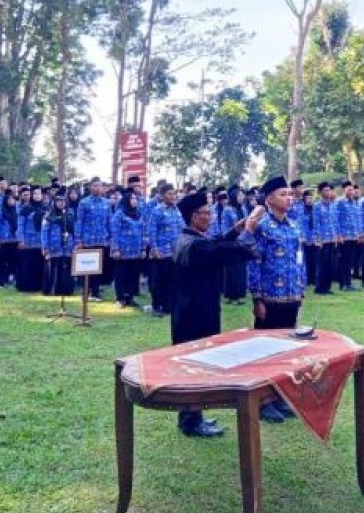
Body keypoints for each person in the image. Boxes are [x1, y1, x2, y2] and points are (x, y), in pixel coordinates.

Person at [171, 189, 258, 438]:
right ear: (193, 217)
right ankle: (190, 420)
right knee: (195, 367)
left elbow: (215, 244)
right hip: (195, 316)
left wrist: (237, 229)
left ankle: (193, 414)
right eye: (205, 213)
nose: (210, 216)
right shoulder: (193, 246)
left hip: (193, 312)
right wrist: (248, 232)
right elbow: (222, 253)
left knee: (197, 365)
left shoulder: (191, 239)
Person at [244, 175, 306, 422]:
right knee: (265, 349)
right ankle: (262, 401)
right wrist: (257, 297)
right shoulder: (261, 226)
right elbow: (254, 262)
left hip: (291, 294)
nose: (289, 198)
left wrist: (301, 288)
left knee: (285, 349)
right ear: (269, 199)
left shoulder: (294, 226)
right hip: (269, 297)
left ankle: (280, 395)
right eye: (283, 194)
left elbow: (301, 259)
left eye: (290, 194)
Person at [148, 183, 184, 317]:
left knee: (171, 280)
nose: (172, 196)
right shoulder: (157, 211)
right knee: (159, 281)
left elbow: (182, 228)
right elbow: (152, 231)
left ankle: (168, 305)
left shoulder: (176, 210)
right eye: (169, 194)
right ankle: (156, 306)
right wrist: (154, 248)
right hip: (161, 252)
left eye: (174, 194)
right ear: (163, 196)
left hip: (174, 252)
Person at [74, 177, 112, 301]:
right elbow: (79, 222)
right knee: (87, 266)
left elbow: (109, 221)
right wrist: (78, 240)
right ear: (91, 187)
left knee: (98, 267)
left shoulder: (107, 203)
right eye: (95, 185)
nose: (97, 188)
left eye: (100, 185)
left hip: (102, 239)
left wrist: (110, 237)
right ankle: (86, 291)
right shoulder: (84, 203)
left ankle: (96, 291)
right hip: (87, 240)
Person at [110, 190, 146, 308]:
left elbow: (143, 232)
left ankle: (130, 296)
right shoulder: (119, 214)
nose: (135, 201)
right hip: (122, 251)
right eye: (132, 199)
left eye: (136, 198)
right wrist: (115, 249)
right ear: (126, 200)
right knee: (121, 274)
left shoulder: (139, 214)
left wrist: (143, 248)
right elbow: (115, 232)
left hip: (135, 251)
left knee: (133, 274)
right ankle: (120, 298)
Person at [41, 188, 76, 296]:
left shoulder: (69, 215)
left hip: (67, 247)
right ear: (55, 203)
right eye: (59, 201)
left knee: (67, 269)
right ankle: (52, 290)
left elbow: (74, 231)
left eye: (63, 201)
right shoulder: (48, 216)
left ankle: (66, 290)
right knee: (54, 269)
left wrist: (75, 245)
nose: (61, 204)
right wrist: (45, 247)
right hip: (54, 247)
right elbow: (44, 233)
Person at [16, 186, 47, 292]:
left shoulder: (46, 208)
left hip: (41, 241)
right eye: (35, 194)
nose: (37, 196)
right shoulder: (25, 208)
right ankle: (26, 287)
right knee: (27, 265)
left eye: (39, 194)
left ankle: (39, 286)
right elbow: (20, 225)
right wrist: (21, 240)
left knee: (39, 266)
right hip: (28, 242)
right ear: (31, 195)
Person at [222, 187, 248, 304]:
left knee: (241, 269)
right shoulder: (227, 210)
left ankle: (239, 294)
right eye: (239, 196)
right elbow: (224, 228)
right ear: (233, 197)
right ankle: (232, 296)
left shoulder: (243, 208)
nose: (241, 198)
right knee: (232, 270)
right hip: (232, 242)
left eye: (242, 196)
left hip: (242, 242)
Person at [334, 180, 361, 291]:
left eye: (352, 190)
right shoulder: (339, 202)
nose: (351, 192)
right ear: (343, 190)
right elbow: (336, 219)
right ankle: (344, 283)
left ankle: (347, 283)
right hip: (344, 236)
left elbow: (356, 219)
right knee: (344, 260)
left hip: (353, 236)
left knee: (350, 261)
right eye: (349, 190)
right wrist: (339, 234)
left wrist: (358, 234)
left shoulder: (355, 203)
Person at [313, 181, 338, 295]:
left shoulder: (332, 205)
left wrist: (336, 236)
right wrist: (318, 238)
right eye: (325, 190)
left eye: (329, 190)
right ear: (320, 192)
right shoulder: (317, 205)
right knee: (322, 265)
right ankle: (319, 287)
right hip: (322, 240)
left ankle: (327, 287)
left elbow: (335, 222)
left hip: (332, 239)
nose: (327, 192)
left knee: (331, 265)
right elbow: (316, 222)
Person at [0, 189, 18, 288]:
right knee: (2, 261)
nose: (11, 201)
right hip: (3, 240)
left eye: (13, 199)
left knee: (13, 261)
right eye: (9, 199)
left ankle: (8, 279)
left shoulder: (15, 210)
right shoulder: (1, 210)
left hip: (14, 239)